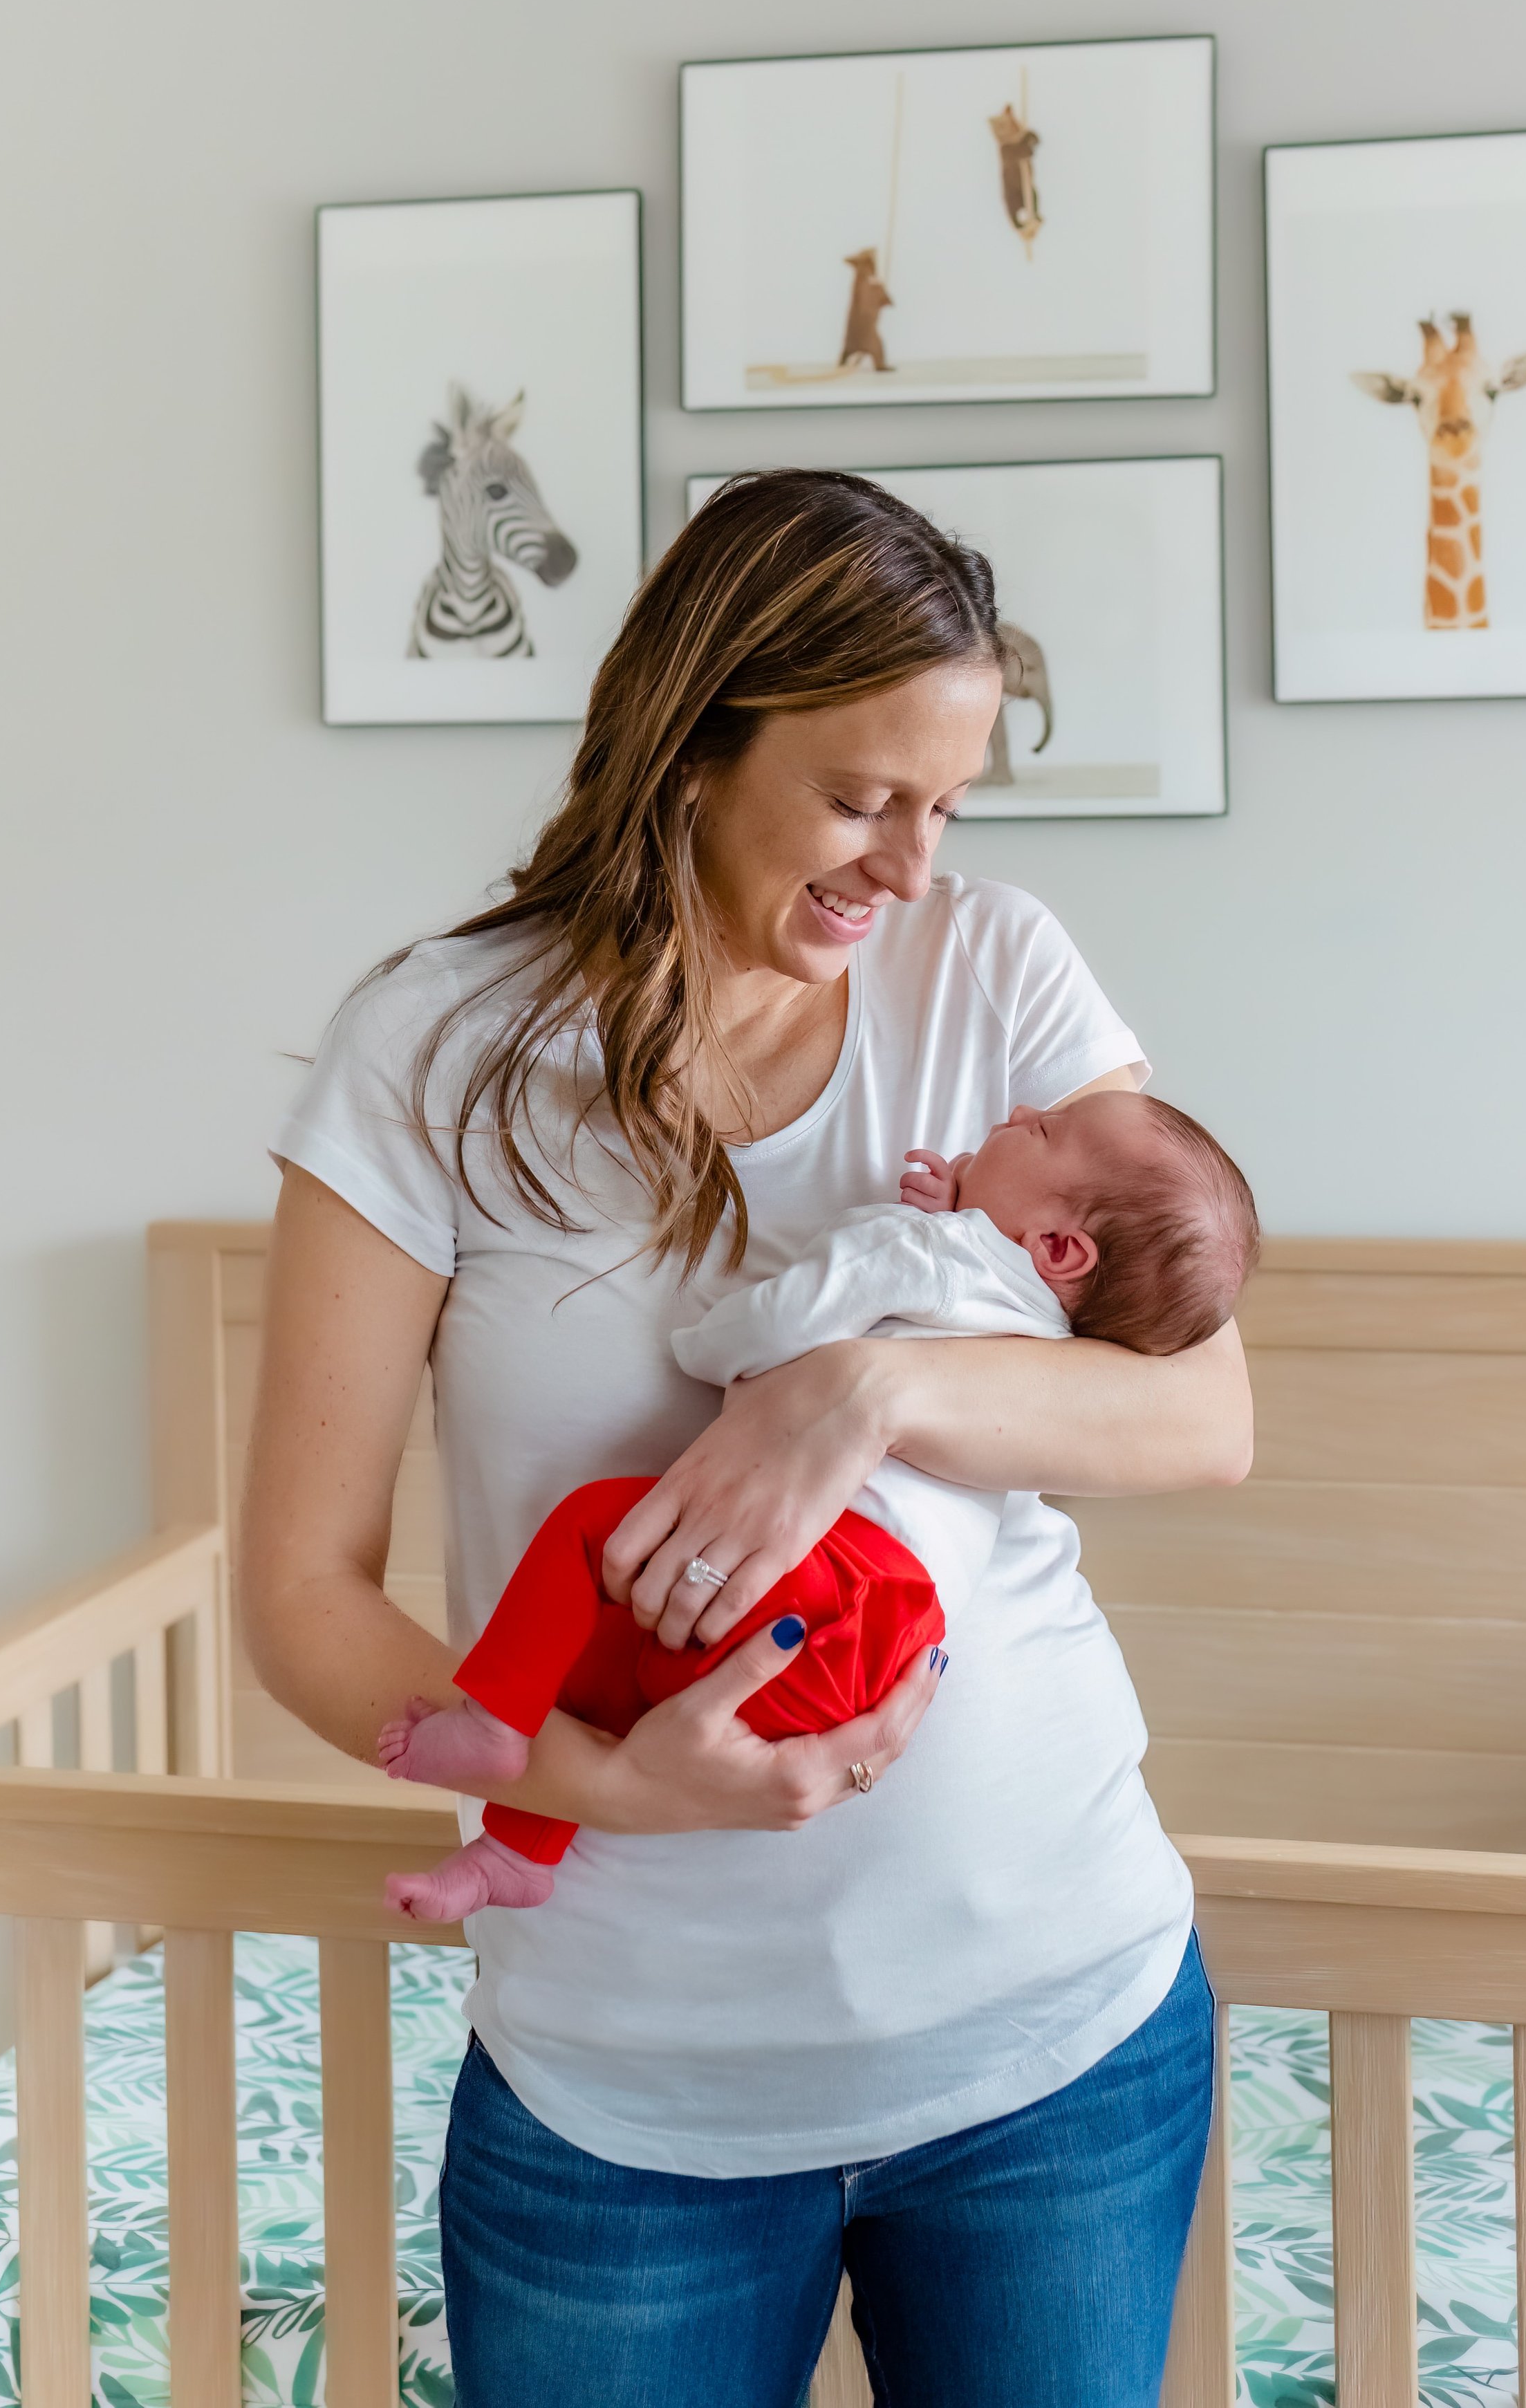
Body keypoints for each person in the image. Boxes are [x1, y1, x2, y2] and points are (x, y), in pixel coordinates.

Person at [241, 468, 1254, 2408]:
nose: (906, 866)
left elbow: (1199, 1408)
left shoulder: (995, 975)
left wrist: (854, 1390)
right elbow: (300, 1594)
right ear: (694, 736)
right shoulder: (434, 1052)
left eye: (946, 808)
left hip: (1056, 2035)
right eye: (864, 796)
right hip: (631, 2103)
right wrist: (605, 1789)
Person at [377, 1088, 1260, 1921]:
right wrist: (972, 1211)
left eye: (1041, 1131)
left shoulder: (921, 1252)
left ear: (1060, 1248)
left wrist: (705, 1343)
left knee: (592, 1539)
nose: (1021, 1109)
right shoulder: (1057, 1337)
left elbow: (778, 1323)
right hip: (880, 1651)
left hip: (826, 1573)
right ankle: (516, 1858)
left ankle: (494, 1726)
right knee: (620, 1654)